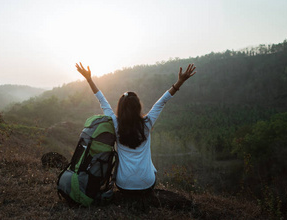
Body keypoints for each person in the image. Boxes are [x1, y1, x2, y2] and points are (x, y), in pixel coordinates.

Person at [75, 62, 196, 194]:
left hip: (123, 185)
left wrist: (89, 79)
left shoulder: (115, 123)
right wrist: (180, 81)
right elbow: (162, 101)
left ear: (120, 108)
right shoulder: (147, 122)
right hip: (146, 184)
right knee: (152, 171)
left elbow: (101, 100)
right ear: (138, 107)